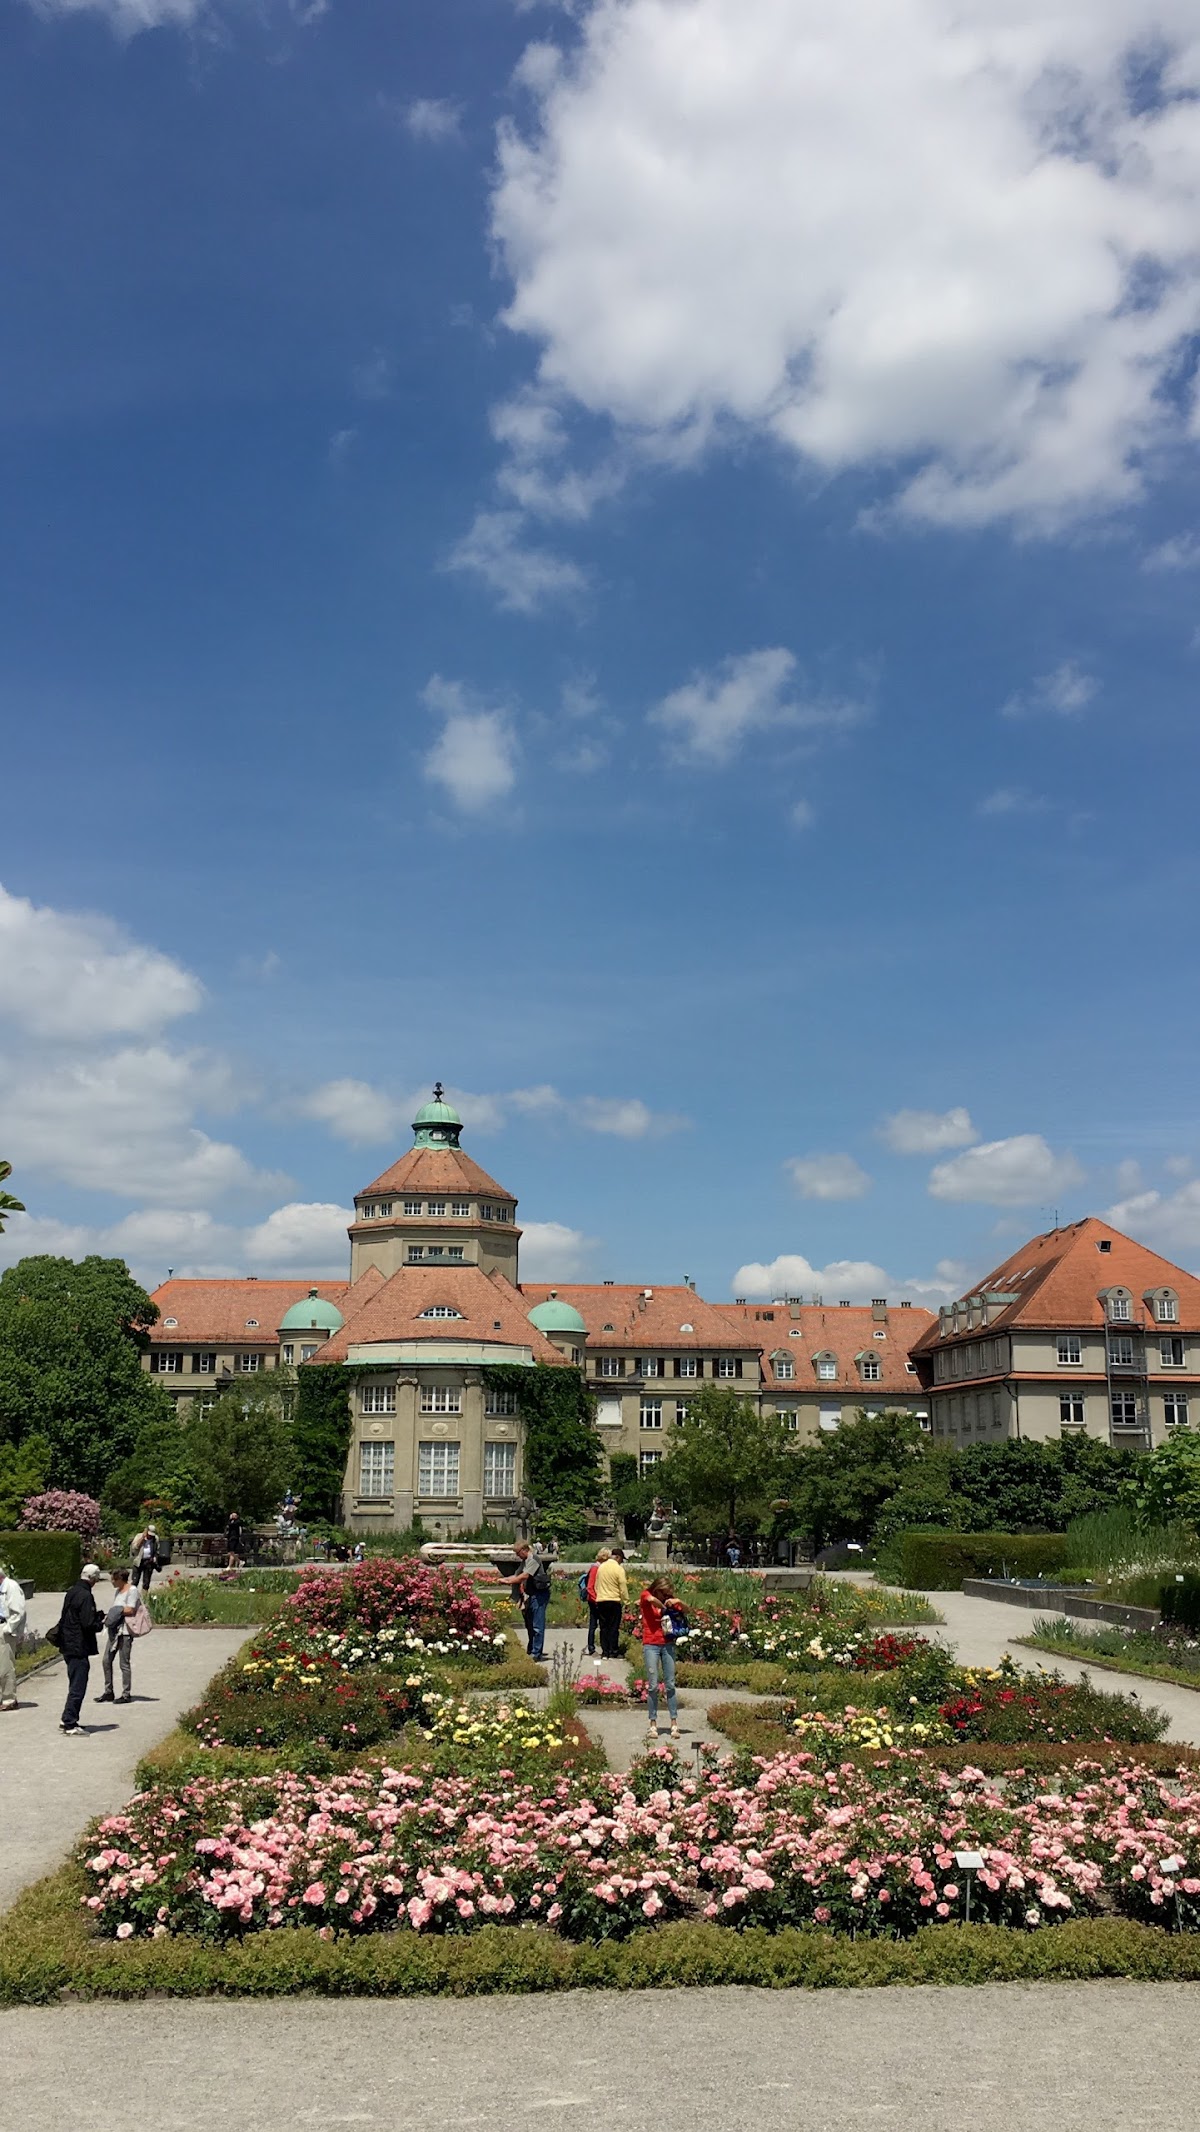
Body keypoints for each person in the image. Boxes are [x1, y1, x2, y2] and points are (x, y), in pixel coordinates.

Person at [57, 1564, 106, 1735]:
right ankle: (69, 1722)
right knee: (78, 1685)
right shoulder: (86, 1595)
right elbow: (87, 1623)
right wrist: (100, 1622)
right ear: (93, 1579)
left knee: (74, 1682)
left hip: (67, 1643)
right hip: (78, 1645)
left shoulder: (72, 1591)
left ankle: (67, 1718)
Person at [640, 1577, 681, 1743]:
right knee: (653, 1685)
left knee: (670, 1684)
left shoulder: (670, 1600)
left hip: (667, 1644)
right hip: (651, 1643)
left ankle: (674, 1722)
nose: (665, 1595)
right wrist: (664, 1607)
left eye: (667, 1593)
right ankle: (653, 1723)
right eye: (663, 1592)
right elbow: (651, 1600)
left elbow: (686, 1611)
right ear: (657, 1589)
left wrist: (678, 1602)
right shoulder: (646, 1595)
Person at [96, 1566, 139, 1705]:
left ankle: (126, 1694)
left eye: (113, 1579)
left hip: (125, 1631)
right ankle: (108, 1691)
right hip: (114, 1631)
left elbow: (131, 1609)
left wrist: (116, 1611)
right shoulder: (118, 1591)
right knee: (106, 1660)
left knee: (124, 1663)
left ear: (120, 1578)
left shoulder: (132, 1590)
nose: (112, 1582)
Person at [0, 1558, 27, 1712]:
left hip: (4, 1628)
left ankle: (9, 1699)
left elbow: (19, 1611)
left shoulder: (12, 1587)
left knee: (5, 1666)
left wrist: (8, 1628)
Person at [593, 1547, 628, 1659]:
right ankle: (613, 1650)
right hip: (614, 1600)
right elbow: (623, 1586)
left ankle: (605, 1652)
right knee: (613, 1627)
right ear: (617, 1557)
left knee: (603, 1627)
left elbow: (596, 1585)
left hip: (601, 1600)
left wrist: (599, 1595)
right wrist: (626, 1601)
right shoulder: (618, 1569)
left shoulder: (601, 1567)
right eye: (621, 1560)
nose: (621, 1562)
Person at [583, 1547, 610, 1658]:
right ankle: (591, 1647)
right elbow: (590, 1587)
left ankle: (603, 1647)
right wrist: (596, 1600)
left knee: (600, 1624)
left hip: (599, 1598)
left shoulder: (600, 1567)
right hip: (594, 1600)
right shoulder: (596, 1568)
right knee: (593, 1624)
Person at [130, 1524, 161, 1592]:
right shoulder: (139, 1536)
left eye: (152, 1535)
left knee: (146, 1582)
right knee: (135, 1581)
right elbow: (134, 1547)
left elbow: (157, 1550)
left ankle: (144, 1596)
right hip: (138, 1561)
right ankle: (132, 1595)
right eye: (149, 1534)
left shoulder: (155, 1538)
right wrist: (142, 1538)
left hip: (149, 1561)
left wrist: (155, 1557)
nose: (150, 1536)